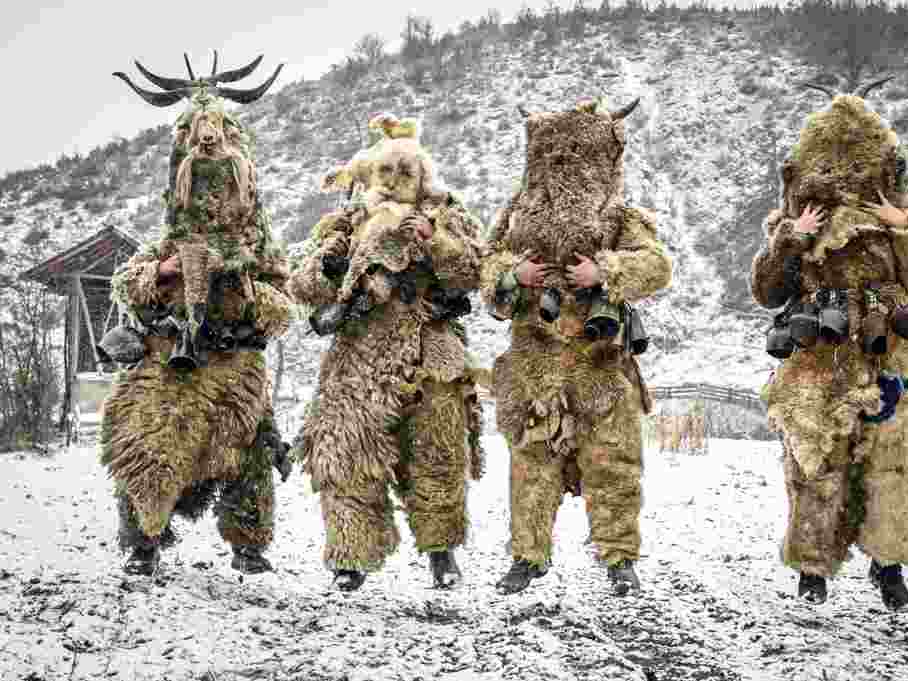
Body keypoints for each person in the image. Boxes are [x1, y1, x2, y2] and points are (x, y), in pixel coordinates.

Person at [751, 78, 908, 610]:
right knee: (815, 464)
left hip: (890, 353)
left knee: (895, 462)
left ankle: (888, 567)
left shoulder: (897, 213)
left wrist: (906, 226)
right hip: (817, 361)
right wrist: (792, 236)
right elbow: (767, 291)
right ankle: (812, 572)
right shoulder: (796, 223)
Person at [100, 54, 293, 576]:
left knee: (249, 449)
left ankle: (248, 545)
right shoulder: (169, 240)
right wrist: (162, 272)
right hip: (168, 368)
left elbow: (285, 302)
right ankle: (143, 543)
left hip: (234, 368)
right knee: (148, 445)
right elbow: (128, 284)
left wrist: (248, 287)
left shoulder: (257, 246)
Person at [481, 97, 672, 596]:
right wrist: (514, 275)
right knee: (530, 469)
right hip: (534, 367)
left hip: (602, 367)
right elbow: (487, 268)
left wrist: (604, 272)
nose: (569, 167)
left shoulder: (620, 216)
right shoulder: (516, 217)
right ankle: (527, 557)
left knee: (614, 470)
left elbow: (656, 265)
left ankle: (619, 561)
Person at [287, 114, 485, 590]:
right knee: (345, 453)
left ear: (422, 178)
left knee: (438, 454)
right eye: (385, 174)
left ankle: (441, 552)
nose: (394, 183)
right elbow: (301, 283)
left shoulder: (447, 214)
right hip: (358, 355)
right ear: (371, 176)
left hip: (429, 350)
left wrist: (432, 240)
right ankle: (350, 556)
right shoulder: (347, 220)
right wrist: (330, 266)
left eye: (405, 174)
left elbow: (475, 271)